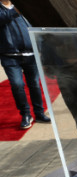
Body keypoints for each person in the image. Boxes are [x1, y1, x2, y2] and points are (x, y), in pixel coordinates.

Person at [0, 0, 50, 129]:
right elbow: (2, 18)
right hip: (10, 57)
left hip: (30, 54)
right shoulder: (14, 9)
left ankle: (39, 114)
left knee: (34, 85)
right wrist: (16, 10)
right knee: (17, 85)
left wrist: (41, 49)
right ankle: (26, 115)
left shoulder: (21, 6)